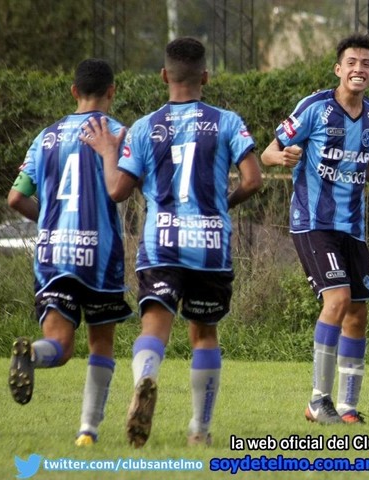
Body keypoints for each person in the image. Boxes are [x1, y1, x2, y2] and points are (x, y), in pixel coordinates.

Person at [81, 37, 262, 447]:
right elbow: (253, 181)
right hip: (210, 244)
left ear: (164, 76)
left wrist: (109, 152)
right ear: (206, 77)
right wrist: (223, 205)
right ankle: (199, 429)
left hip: (161, 242)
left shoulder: (144, 127)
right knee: (204, 333)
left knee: (154, 323)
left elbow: (117, 191)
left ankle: (146, 376)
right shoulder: (228, 122)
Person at [7, 58, 133, 447]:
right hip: (99, 252)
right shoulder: (118, 133)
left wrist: (47, 220)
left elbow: (15, 198)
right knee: (102, 344)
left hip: (53, 252)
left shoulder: (44, 138)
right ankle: (87, 431)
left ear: (74, 91)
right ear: (112, 91)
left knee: (60, 347)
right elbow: (125, 188)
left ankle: (33, 353)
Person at [261, 33, 369, 424]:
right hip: (313, 222)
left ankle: (347, 406)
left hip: (354, 227)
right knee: (337, 300)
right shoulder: (315, 107)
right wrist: (282, 157)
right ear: (338, 69)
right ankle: (318, 400)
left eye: (365, 64)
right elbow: (268, 152)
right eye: (351, 63)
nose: (358, 70)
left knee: (358, 313)